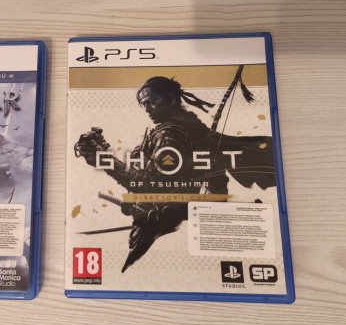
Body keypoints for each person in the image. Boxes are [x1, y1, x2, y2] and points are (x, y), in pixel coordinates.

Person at [76, 76, 275, 271]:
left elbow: (152, 185)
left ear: (171, 99)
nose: (147, 108)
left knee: (133, 270)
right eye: (144, 104)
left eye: (152, 102)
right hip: (166, 221)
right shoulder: (188, 129)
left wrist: (106, 161)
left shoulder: (171, 134)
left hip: (166, 224)